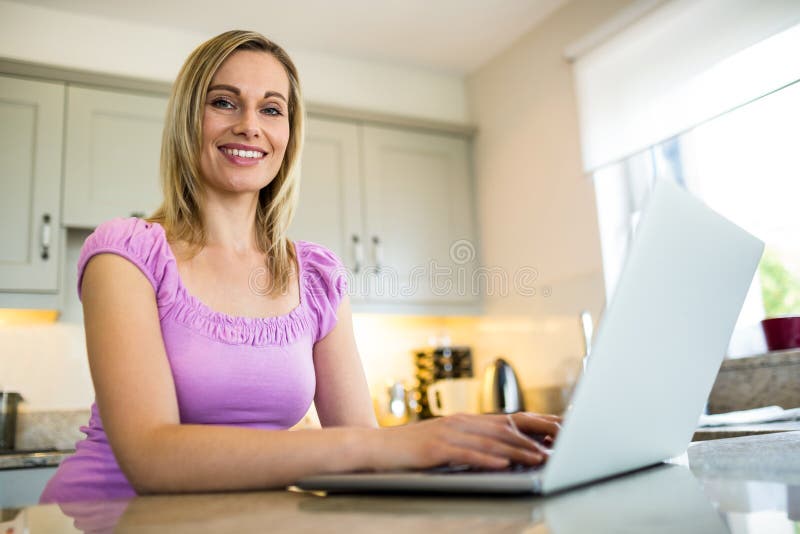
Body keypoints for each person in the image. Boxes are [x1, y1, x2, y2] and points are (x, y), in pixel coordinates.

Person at [40, 30, 559, 504]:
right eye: (224, 102)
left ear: (290, 132)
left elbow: (362, 441)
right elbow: (152, 458)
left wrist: (471, 442)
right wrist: (371, 447)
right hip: (110, 518)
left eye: (272, 109)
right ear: (187, 119)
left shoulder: (315, 276)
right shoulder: (127, 254)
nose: (249, 126)